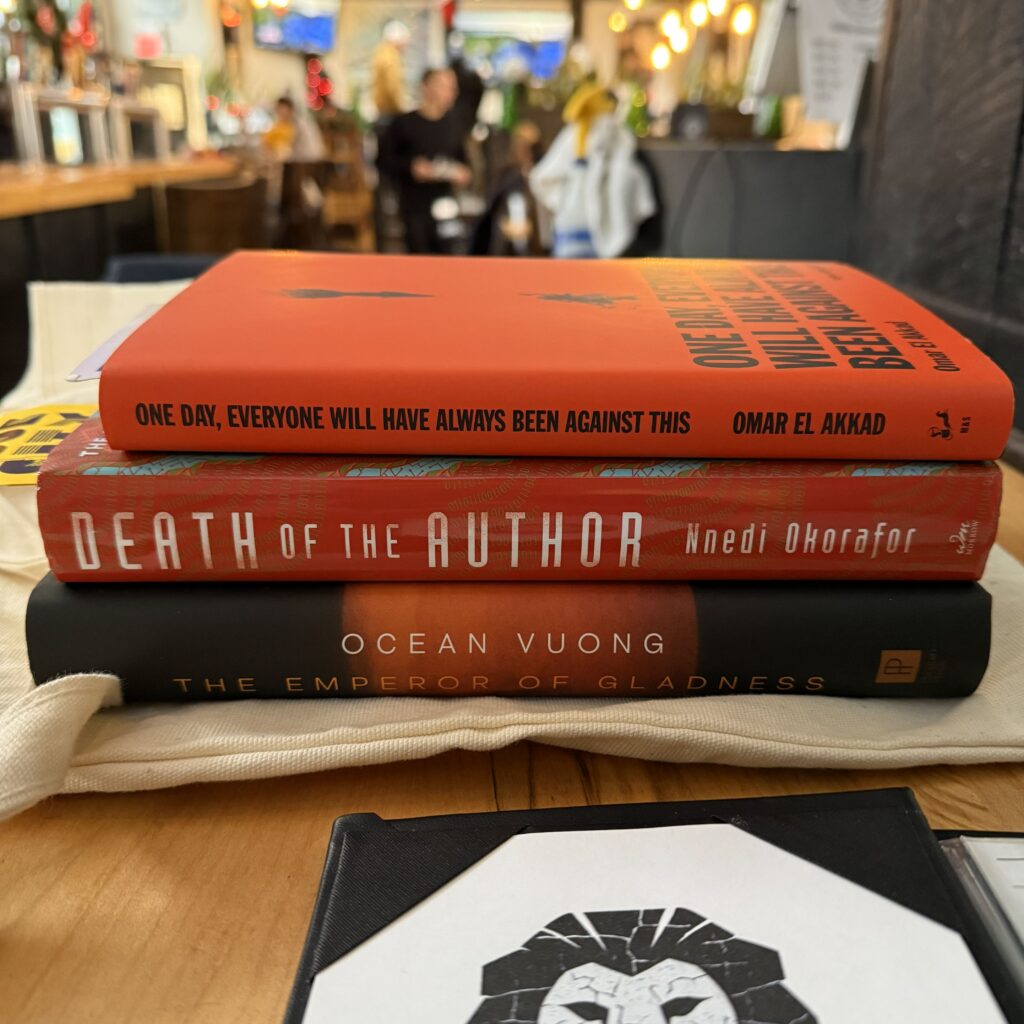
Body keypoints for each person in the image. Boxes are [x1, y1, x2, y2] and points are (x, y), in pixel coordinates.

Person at [382, 67, 471, 254]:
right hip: (413, 207)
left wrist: (461, 173)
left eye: (453, 88)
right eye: (445, 86)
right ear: (427, 87)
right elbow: (383, 161)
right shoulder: (403, 124)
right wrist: (411, 167)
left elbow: (464, 163)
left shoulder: (455, 125)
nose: (451, 93)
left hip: (446, 206)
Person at [262, 96, 325, 161]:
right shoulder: (300, 121)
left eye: (280, 109)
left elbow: (284, 146)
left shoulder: (297, 124)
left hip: (307, 160)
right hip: (310, 159)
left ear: (289, 109)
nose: (278, 113)